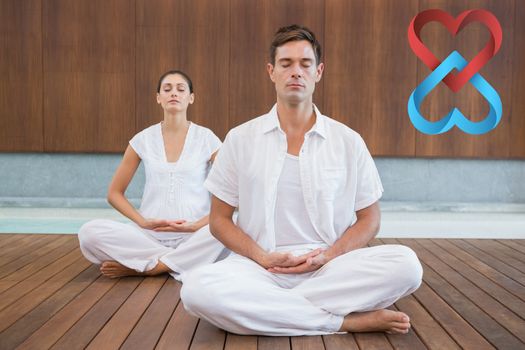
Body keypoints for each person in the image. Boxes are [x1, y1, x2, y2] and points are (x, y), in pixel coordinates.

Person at [180, 25, 423, 336]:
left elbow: (370, 218)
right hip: (259, 267)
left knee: (406, 265)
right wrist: (262, 256)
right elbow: (219, 220)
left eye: (305, 64)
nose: (296, 72)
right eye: (286, 63)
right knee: (196, 290)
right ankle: (342, 321)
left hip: (330, 268)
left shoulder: (348, 140)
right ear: (271, 71)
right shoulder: (240, 139)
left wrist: (328, 256)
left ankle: (274, 311)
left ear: (318, 71)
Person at [78, 70, 227, 281]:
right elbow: (114, 194)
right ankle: (178, 262)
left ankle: (148, 267)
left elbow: (232, 191)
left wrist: (197, 224)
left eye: (180, 89)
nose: (173, 93)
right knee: (88, 233)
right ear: (158, 98)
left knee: (232, 225)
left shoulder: (207, 138)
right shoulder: (142, 139)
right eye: (167, 89)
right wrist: (142, 222)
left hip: (195, 235)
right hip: (148, 237)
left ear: (191, 98)